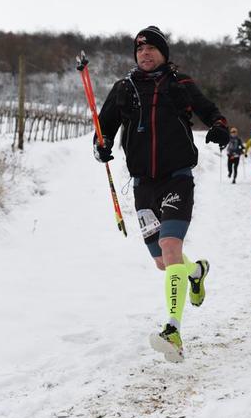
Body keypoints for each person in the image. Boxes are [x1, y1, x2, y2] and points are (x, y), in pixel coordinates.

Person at [94, 25, 230, 362]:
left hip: (177, 178)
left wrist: (219, 126)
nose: (145, 53)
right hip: (142, 185)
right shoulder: (123, 88)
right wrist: (101, 146)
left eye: (152, 48)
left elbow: (209, 109)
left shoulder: (179, 84)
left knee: (171, 247)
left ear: (163, 54)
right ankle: (195, 273)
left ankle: (173, 330)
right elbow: (103, 128)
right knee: (162, 261)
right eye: (139, 49)